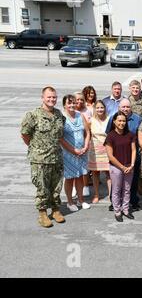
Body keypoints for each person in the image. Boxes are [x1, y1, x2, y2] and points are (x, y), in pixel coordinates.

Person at [21, 86, 66, 228]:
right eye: (49, 97)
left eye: (54, 97)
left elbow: (60, 135)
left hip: (56, 157)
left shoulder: (59, 115)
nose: (52, 99)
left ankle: (55, 210)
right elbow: (25, 134)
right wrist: (35, 149)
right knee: (42, 187)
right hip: (40, 159)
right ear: (43, 98)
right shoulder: (33, 115)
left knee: (57, 185)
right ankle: (42, 213)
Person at [106, 99, 142, 211]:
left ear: (131, 107)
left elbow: (141, 136)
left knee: (132, 181)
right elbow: (109, 133)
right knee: (116, 182)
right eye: (123, 107)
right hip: (117, 155)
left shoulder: (138, 119)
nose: (125, 109)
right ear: (119, 108)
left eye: (127, 107)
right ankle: (114, 203)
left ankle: (133, 202)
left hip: (132, 155)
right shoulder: (114, 117)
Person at [60, 94, 91, 212]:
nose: (72, 105)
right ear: (64, 105)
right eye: (69, 103)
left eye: (73, 102)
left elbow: (87, 133)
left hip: (82, 152)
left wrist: (86, 145)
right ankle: (70, 201)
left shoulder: (80, 115)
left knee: (80, 177)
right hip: (69, 154)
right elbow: (61, 138)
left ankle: (81, 200)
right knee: (70, 178)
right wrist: (73, 150)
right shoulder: (62, 118)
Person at [105, 112, 137, 222]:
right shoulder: (110, 136)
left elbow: (133, 150)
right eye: (119, 120)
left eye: (123, 121)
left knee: (127, 189)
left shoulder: (130, 134)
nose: (121, 123)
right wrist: (122, 167)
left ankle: (126, 209)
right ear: (114, 121)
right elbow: (110, 155)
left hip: (129, 166)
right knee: (116, 189)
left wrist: (132, 165)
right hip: (116, 167)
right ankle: (117, 211)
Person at [87, 100, 111, 204]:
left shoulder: (109, 119)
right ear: (95, 109)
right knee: (95, 173)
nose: (100, 109)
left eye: (102, 107)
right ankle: (96, 194)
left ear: (105, 108)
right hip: (95, 149)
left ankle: (111, 195)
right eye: (98, 108)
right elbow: (87, 134)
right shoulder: (90, 120)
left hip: (107, 148)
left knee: (108, 173)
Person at [74, 91, 92, 197]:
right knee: (73, 166)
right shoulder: (70, 110)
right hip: (72, 143)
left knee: (85, 167)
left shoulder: (87, 111)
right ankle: (73, 187)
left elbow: (89, 128)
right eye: (77, 99)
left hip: (85, 141)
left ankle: (85, 186)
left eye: (81, 99)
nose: (79, 101)